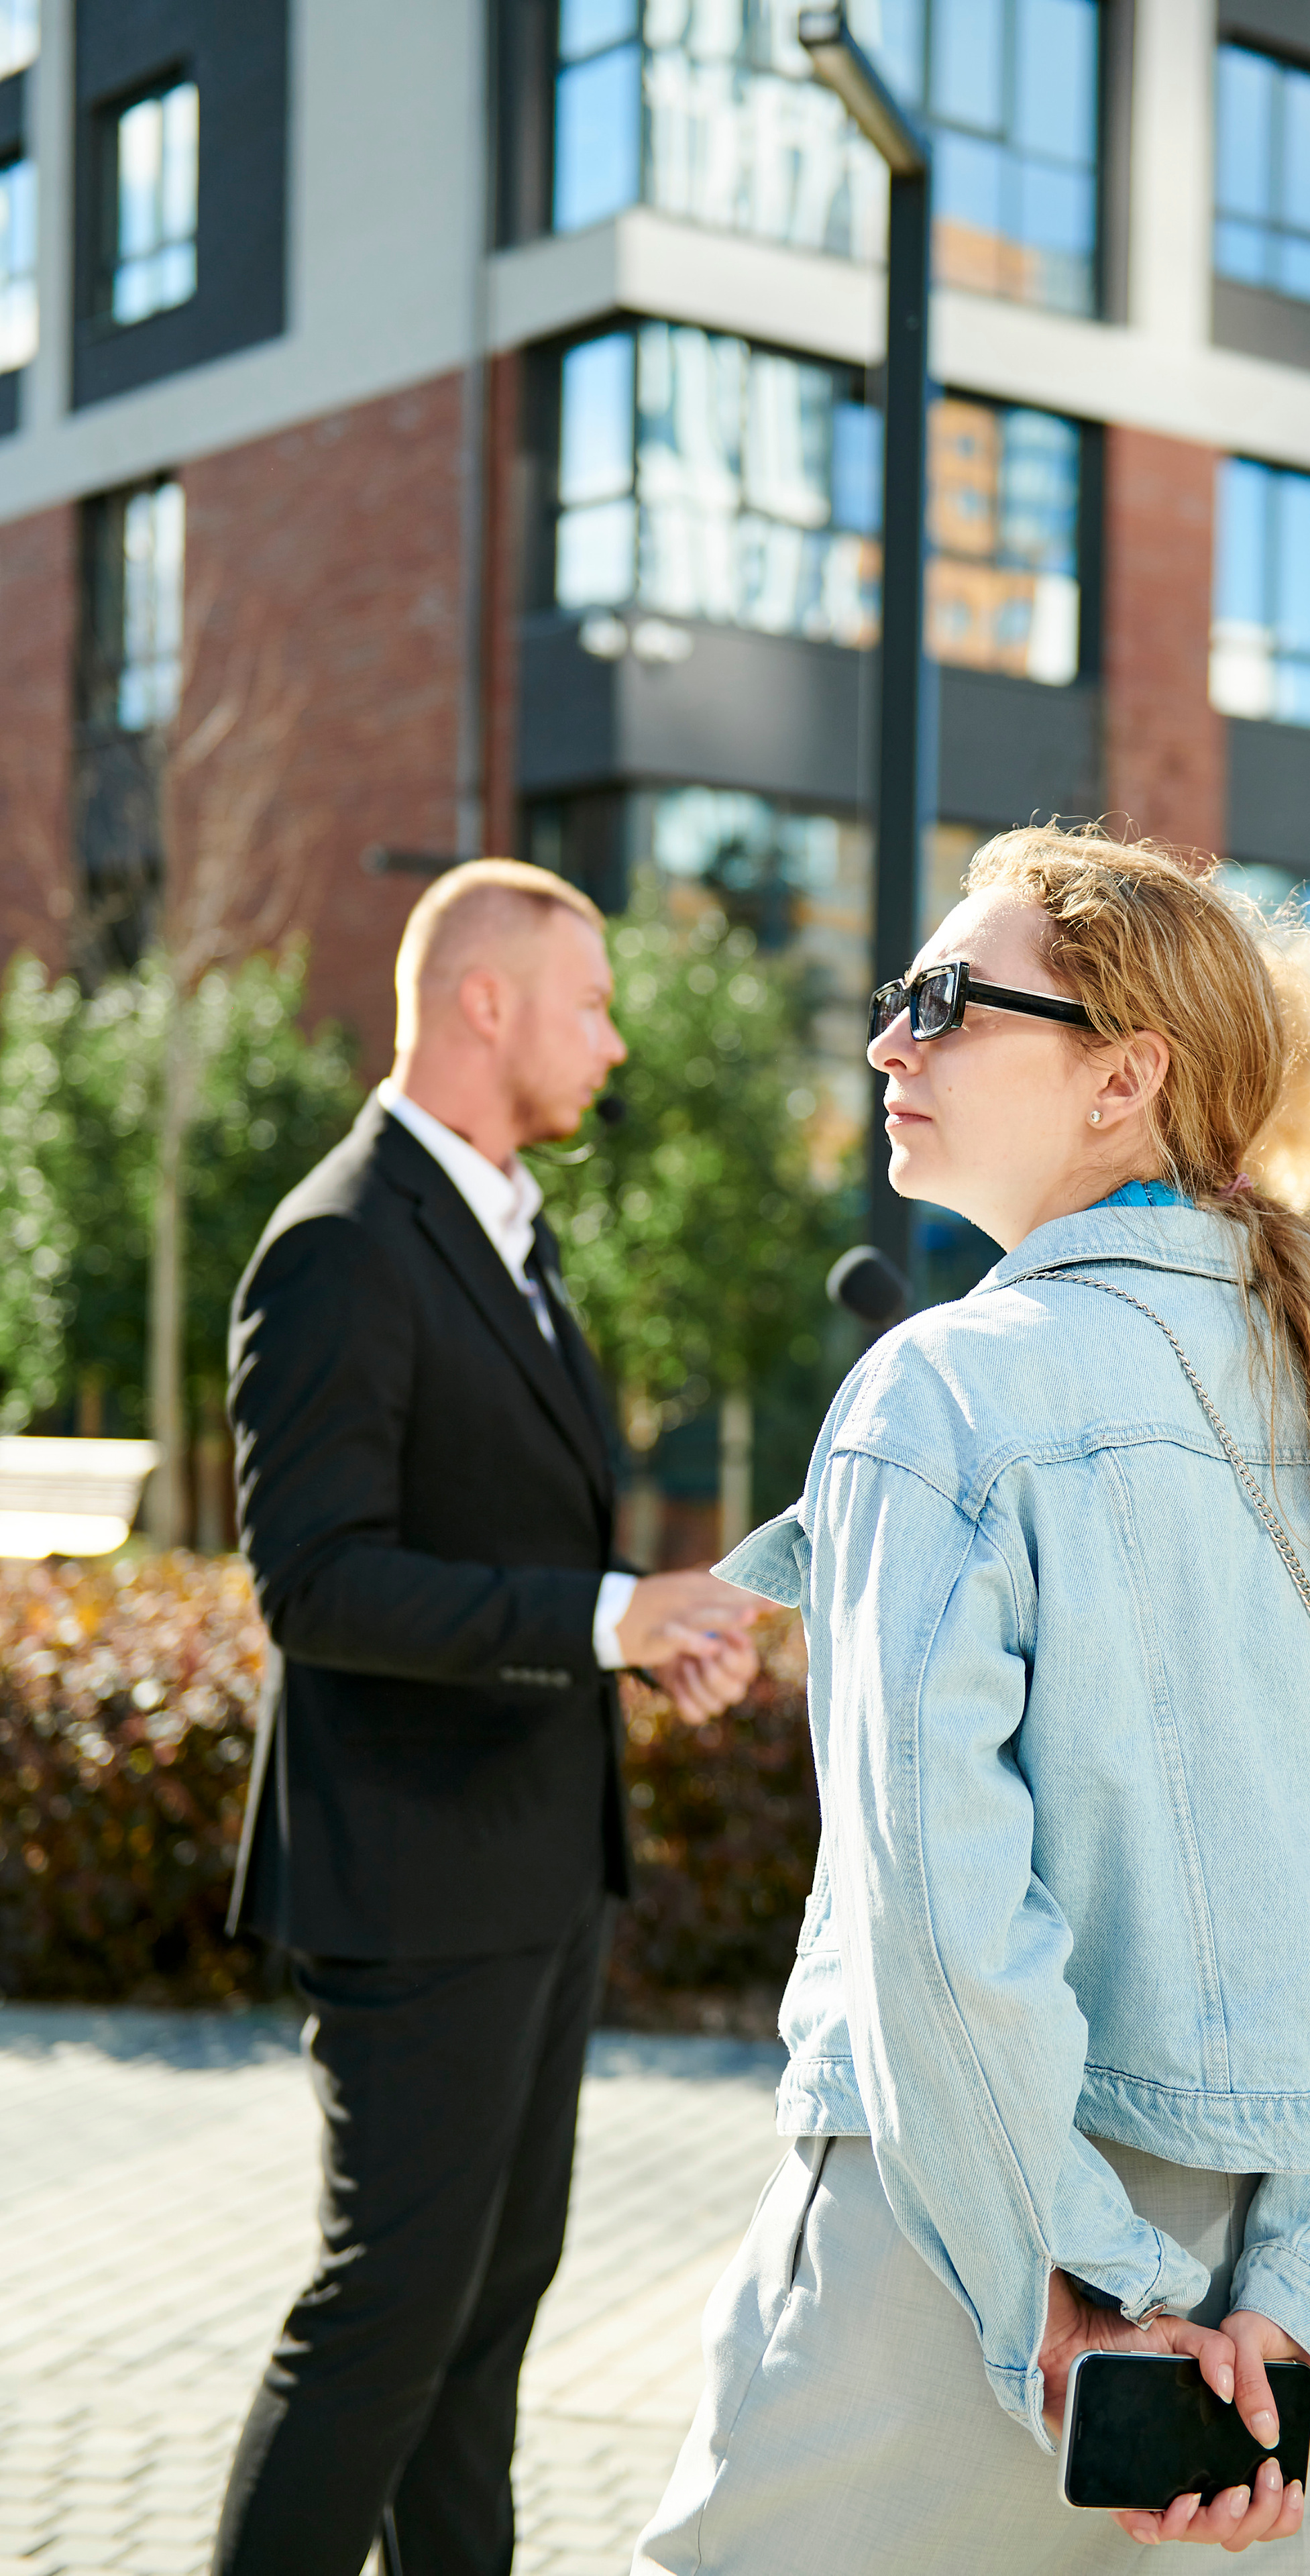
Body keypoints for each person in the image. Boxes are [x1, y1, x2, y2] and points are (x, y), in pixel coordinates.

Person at [634, 827, 1310, 2575]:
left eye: (943, 1001)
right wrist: (1303, 2295)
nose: (888, 1039)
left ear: (1125, 1079)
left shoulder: (945, 1396)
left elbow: (938, 1923)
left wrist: (1073, 2301)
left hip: (951, 2286)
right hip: (1290, 2348)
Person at [213, 859, 762, 2576]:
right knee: (385, 2326)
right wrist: (603, 1615)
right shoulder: (340, 1245)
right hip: (414, 1889)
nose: (613, 1042)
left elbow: (496, 1540)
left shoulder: (503, 1233)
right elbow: (317, 1584)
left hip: (530, 1875)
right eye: (591, 1003)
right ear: (484, 1001)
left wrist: (638, 1641)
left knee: (478, 2336)